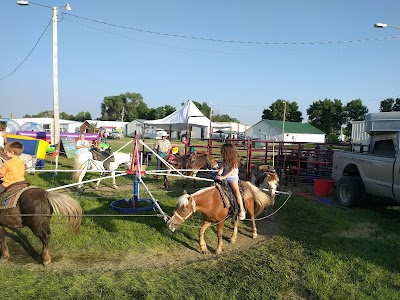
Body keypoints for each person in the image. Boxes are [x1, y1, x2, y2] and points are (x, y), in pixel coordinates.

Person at [215, 143, 246, 221]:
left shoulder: (234, 161)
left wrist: (223, 177)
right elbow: (222, 168)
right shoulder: (224, 160)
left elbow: (232, 171)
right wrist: (218, 174)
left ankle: (242, 210)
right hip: (224, 177)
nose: (221, 153)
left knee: (236, 191)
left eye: (223, 151)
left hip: (232, 178)